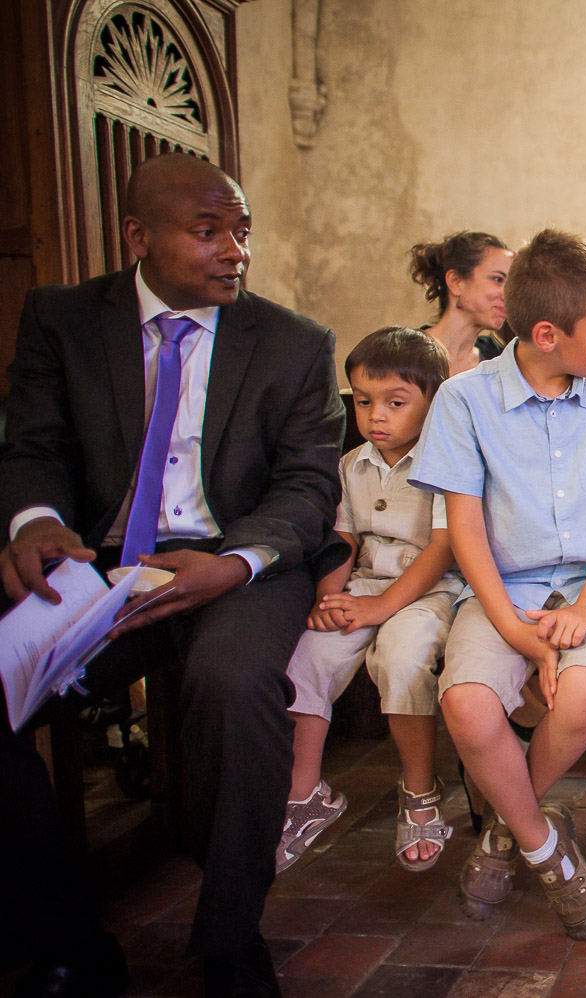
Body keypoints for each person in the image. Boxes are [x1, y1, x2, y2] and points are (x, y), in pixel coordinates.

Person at [0, 153, 344, 996]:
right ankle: (71, 939)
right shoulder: (63, 319)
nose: (235, 251)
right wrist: (36, 521)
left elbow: (306, 487)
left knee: (232, 686)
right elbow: (32, 445)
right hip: (103, 565)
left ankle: (229, 937)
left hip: (237, 567)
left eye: (242, 232)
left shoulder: (295, 343)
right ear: (138, 237)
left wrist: (232, 562)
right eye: (208, 232)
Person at [407, 228, 586, 940]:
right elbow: (467, 532)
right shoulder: (464, 401)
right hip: (500, 589)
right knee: (469, 705)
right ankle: (548, 851)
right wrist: (512, 629)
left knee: (582, 695)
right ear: (547, 333)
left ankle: (505, 833)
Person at [277, 328, 463, 874]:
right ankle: (305, 792)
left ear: (434, 402)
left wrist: (382, 611)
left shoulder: (447, 463)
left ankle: (420, 790)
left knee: (401, 660)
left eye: (395, 403)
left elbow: (443, 549)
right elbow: (345, 539)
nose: (375, 416)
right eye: (363, 401)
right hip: (364, 587)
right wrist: (329, 594)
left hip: (429, 591)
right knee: (307, 657)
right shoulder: (351, 464)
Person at [408, 231, 515, 375]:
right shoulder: (404, 353)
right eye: (497, 279)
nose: (507, 294)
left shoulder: (499, 358)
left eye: (511, 284)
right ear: (456, 282)